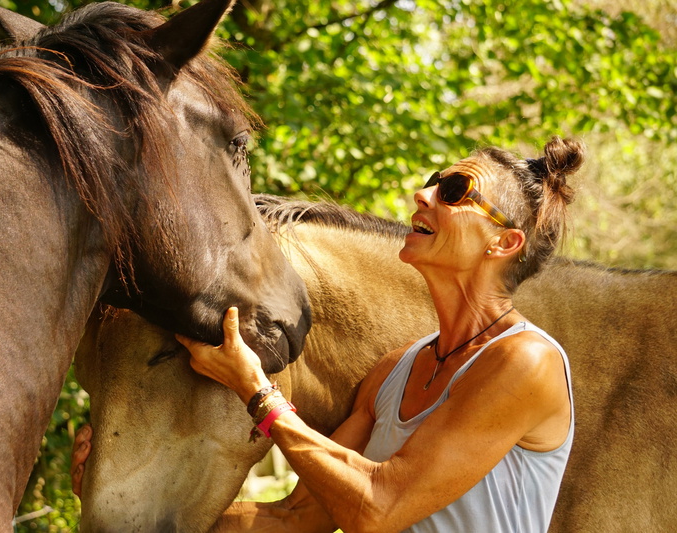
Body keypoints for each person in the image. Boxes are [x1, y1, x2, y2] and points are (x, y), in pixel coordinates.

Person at [72, 135, 584, 532]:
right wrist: (138, 512)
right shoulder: (393, 372)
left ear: (504, 243)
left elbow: (378, 508)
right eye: (433, 181)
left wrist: (255, 390)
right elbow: (294, 520)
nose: (422, 194)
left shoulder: (526, 362)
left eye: (454, 192)